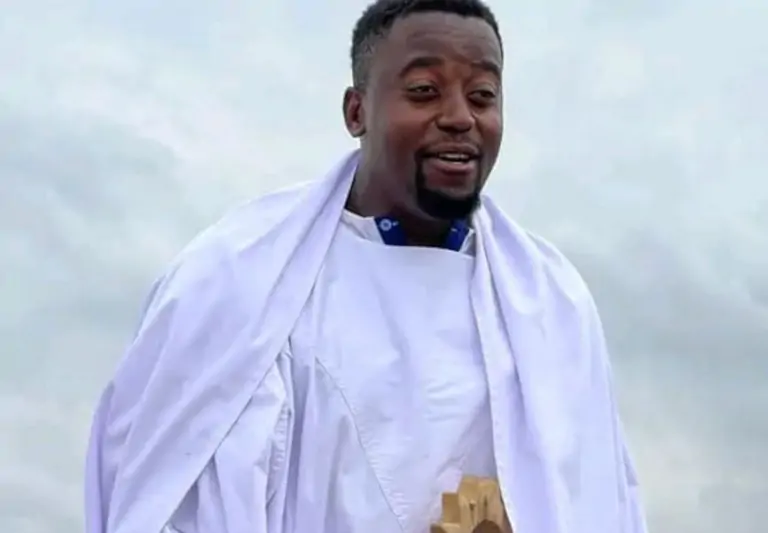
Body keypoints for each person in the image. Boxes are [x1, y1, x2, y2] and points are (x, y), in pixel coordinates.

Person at [84, 1, 648, 532]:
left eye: (482, 96)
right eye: (424, 91)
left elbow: (600, 501)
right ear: (357, 112)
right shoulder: (235, 283)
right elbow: (169, 498)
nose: (460, 117)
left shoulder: (554, 307)